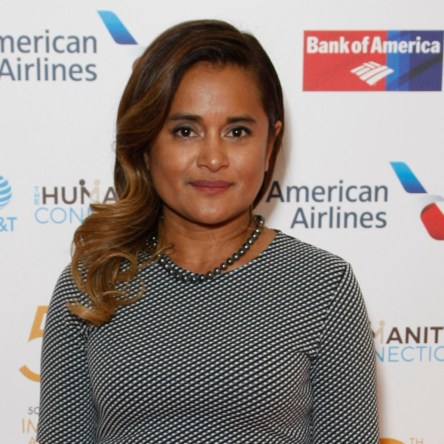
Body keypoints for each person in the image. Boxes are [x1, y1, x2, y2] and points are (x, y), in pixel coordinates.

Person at [37, 19, 379, 444]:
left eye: (237, 132)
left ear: (270, 144)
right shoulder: (94, 281)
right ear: (146, 144)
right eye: (185, 131)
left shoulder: (322, 285)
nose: (213, 158)